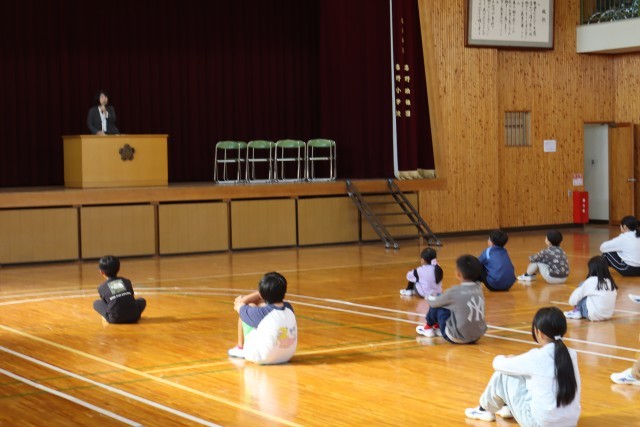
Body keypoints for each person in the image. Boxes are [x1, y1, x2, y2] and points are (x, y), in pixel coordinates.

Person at [465, 307, 581, 426]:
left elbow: (497, 364)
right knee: (526, 377)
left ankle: (484, 409)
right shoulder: (571, 354)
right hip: (570, 423)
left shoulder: (537, 356)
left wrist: (507, 358)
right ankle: (507, 407)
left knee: (503, 374)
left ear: (539, 333)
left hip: (538, 424)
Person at [228, 272, 297, 365]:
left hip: (262, 357)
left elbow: (239, 304)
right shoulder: (289, 307)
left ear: (261, 293)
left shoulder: (262, 313)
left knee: (248, 308)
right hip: (287, 355)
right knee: (257, 306)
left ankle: (240, 348)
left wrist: (261, 292)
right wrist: (266, 292)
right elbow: (267, 304)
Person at [416, 254, 486, 343]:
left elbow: (434, 303)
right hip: (477, 336)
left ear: (459, 274)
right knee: (450, 305)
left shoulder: (455, 291)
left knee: (439, 301)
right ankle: (437, 327)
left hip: (456, 337)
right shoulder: (479, 289)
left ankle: (428, 328)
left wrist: (428, 297)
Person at [93, 255, 146, 324]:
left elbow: (106, 303)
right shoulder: (126, 281)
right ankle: (131, 314)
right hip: (134, 316)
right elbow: (131, 297)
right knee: (142, 300)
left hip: (115, 319)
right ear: (118, 268)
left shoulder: (102, 287)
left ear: (101, 272)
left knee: (96, 303)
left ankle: (107, 317)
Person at [564, 256, 617, 321]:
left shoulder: (591, 281)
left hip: (593, 315)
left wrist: (573, 304)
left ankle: (577, 311)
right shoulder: (610, 282)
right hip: (608, 315)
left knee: (582, 285)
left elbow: (573, 299)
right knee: (588, 292)